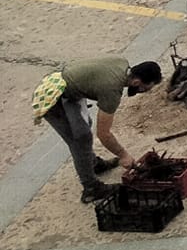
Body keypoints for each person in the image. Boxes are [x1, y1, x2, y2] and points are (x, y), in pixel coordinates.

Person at [35, 56, 162, 204]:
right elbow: (103, 134)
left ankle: (93, 163)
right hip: (53, 96)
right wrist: (123, 155)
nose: (143, 92)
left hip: (68, 86)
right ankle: (91, 188)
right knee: (79, 140)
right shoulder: (112, 90)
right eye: (145, 89)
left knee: (84, 126)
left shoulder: (121, 63)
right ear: (136, 82)